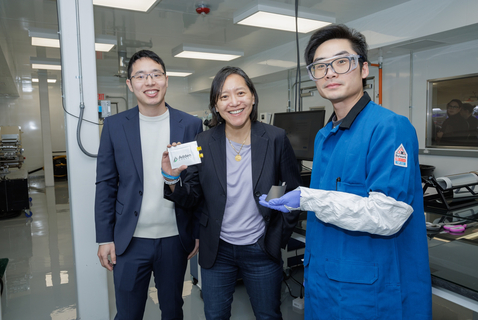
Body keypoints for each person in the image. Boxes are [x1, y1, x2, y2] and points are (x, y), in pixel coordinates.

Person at [260, 24, 432, 319]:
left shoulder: (389, 127)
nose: (330, 73)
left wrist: (306, 198)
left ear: (364, 69)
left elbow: (387, 215)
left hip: (369, 294)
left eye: (341, 62)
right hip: (323, 285)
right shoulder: (325, 135)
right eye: (319, 66)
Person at [161, 66, 302, 320]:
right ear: (216, 105)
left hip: (261, 247)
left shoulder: (275, 138)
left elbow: (292, 191)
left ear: (253, 97)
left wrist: (276, 238)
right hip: (218, 250)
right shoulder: (202, 141)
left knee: (268, 315)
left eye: (240, 93)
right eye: (224, 96)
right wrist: (172, 178)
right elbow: (191, 197)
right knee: (215, 316)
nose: (234, 102)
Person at [94, 49, 203, 320]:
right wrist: (105, 237)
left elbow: (198, 185)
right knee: (128, 314)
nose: (149, 82)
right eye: (141, 76)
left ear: (166, 80)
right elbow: (106, 184)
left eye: (155, 75)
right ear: (130, 85)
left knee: (173, 311)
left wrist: (198, 231)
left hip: (175, 240)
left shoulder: (190, 125)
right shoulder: (115, 125)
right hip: (129, 242)